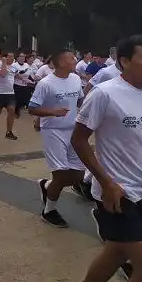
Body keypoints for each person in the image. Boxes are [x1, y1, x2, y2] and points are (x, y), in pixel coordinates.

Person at [71, 35, 142, 282]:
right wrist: (106, 182)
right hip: (116, 195)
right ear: (125, 61)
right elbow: (78, 140)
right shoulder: (104, 94)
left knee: (116, 253)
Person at [28, 49, 85, 228]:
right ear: (61, 63)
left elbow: (80, 101)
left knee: (78, 175)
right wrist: (52, 112)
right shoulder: (46, 83)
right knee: (60, 175)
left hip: (73, 131)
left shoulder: (75, 79)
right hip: (53, 131)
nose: (75, 60)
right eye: (71, 58)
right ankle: (49, 211)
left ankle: (47, 186)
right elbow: (32, 108)